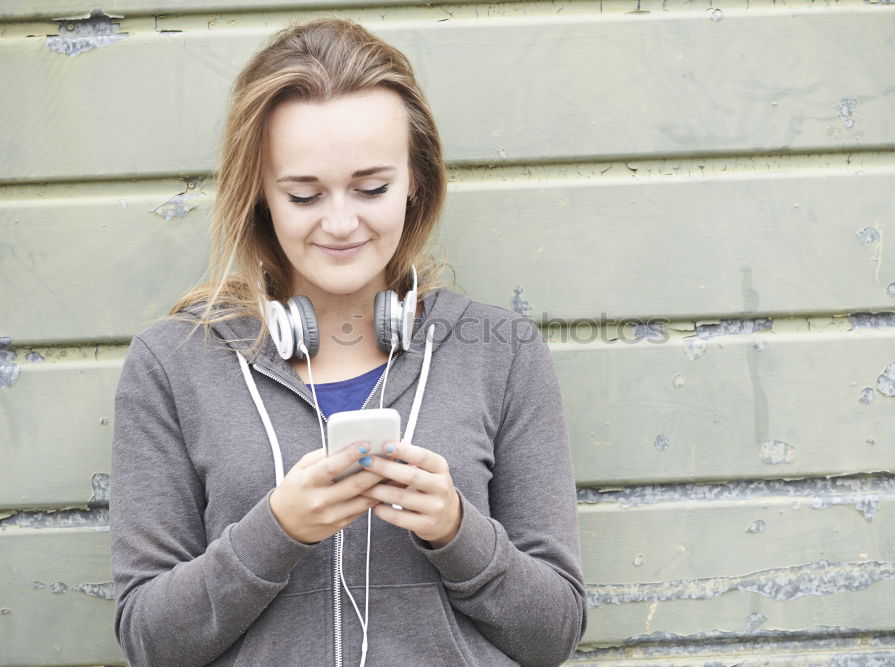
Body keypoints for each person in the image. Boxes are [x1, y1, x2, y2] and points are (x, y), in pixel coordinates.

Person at [110, 17, 586, 667]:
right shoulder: (173, 364)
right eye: (304, 194)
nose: (340, 222)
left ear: (416, 178)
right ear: (261, 196)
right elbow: (148, 640)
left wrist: (455, 528)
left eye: (371, 188)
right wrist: (275, 531)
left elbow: (553, 632)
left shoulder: (501, 352)